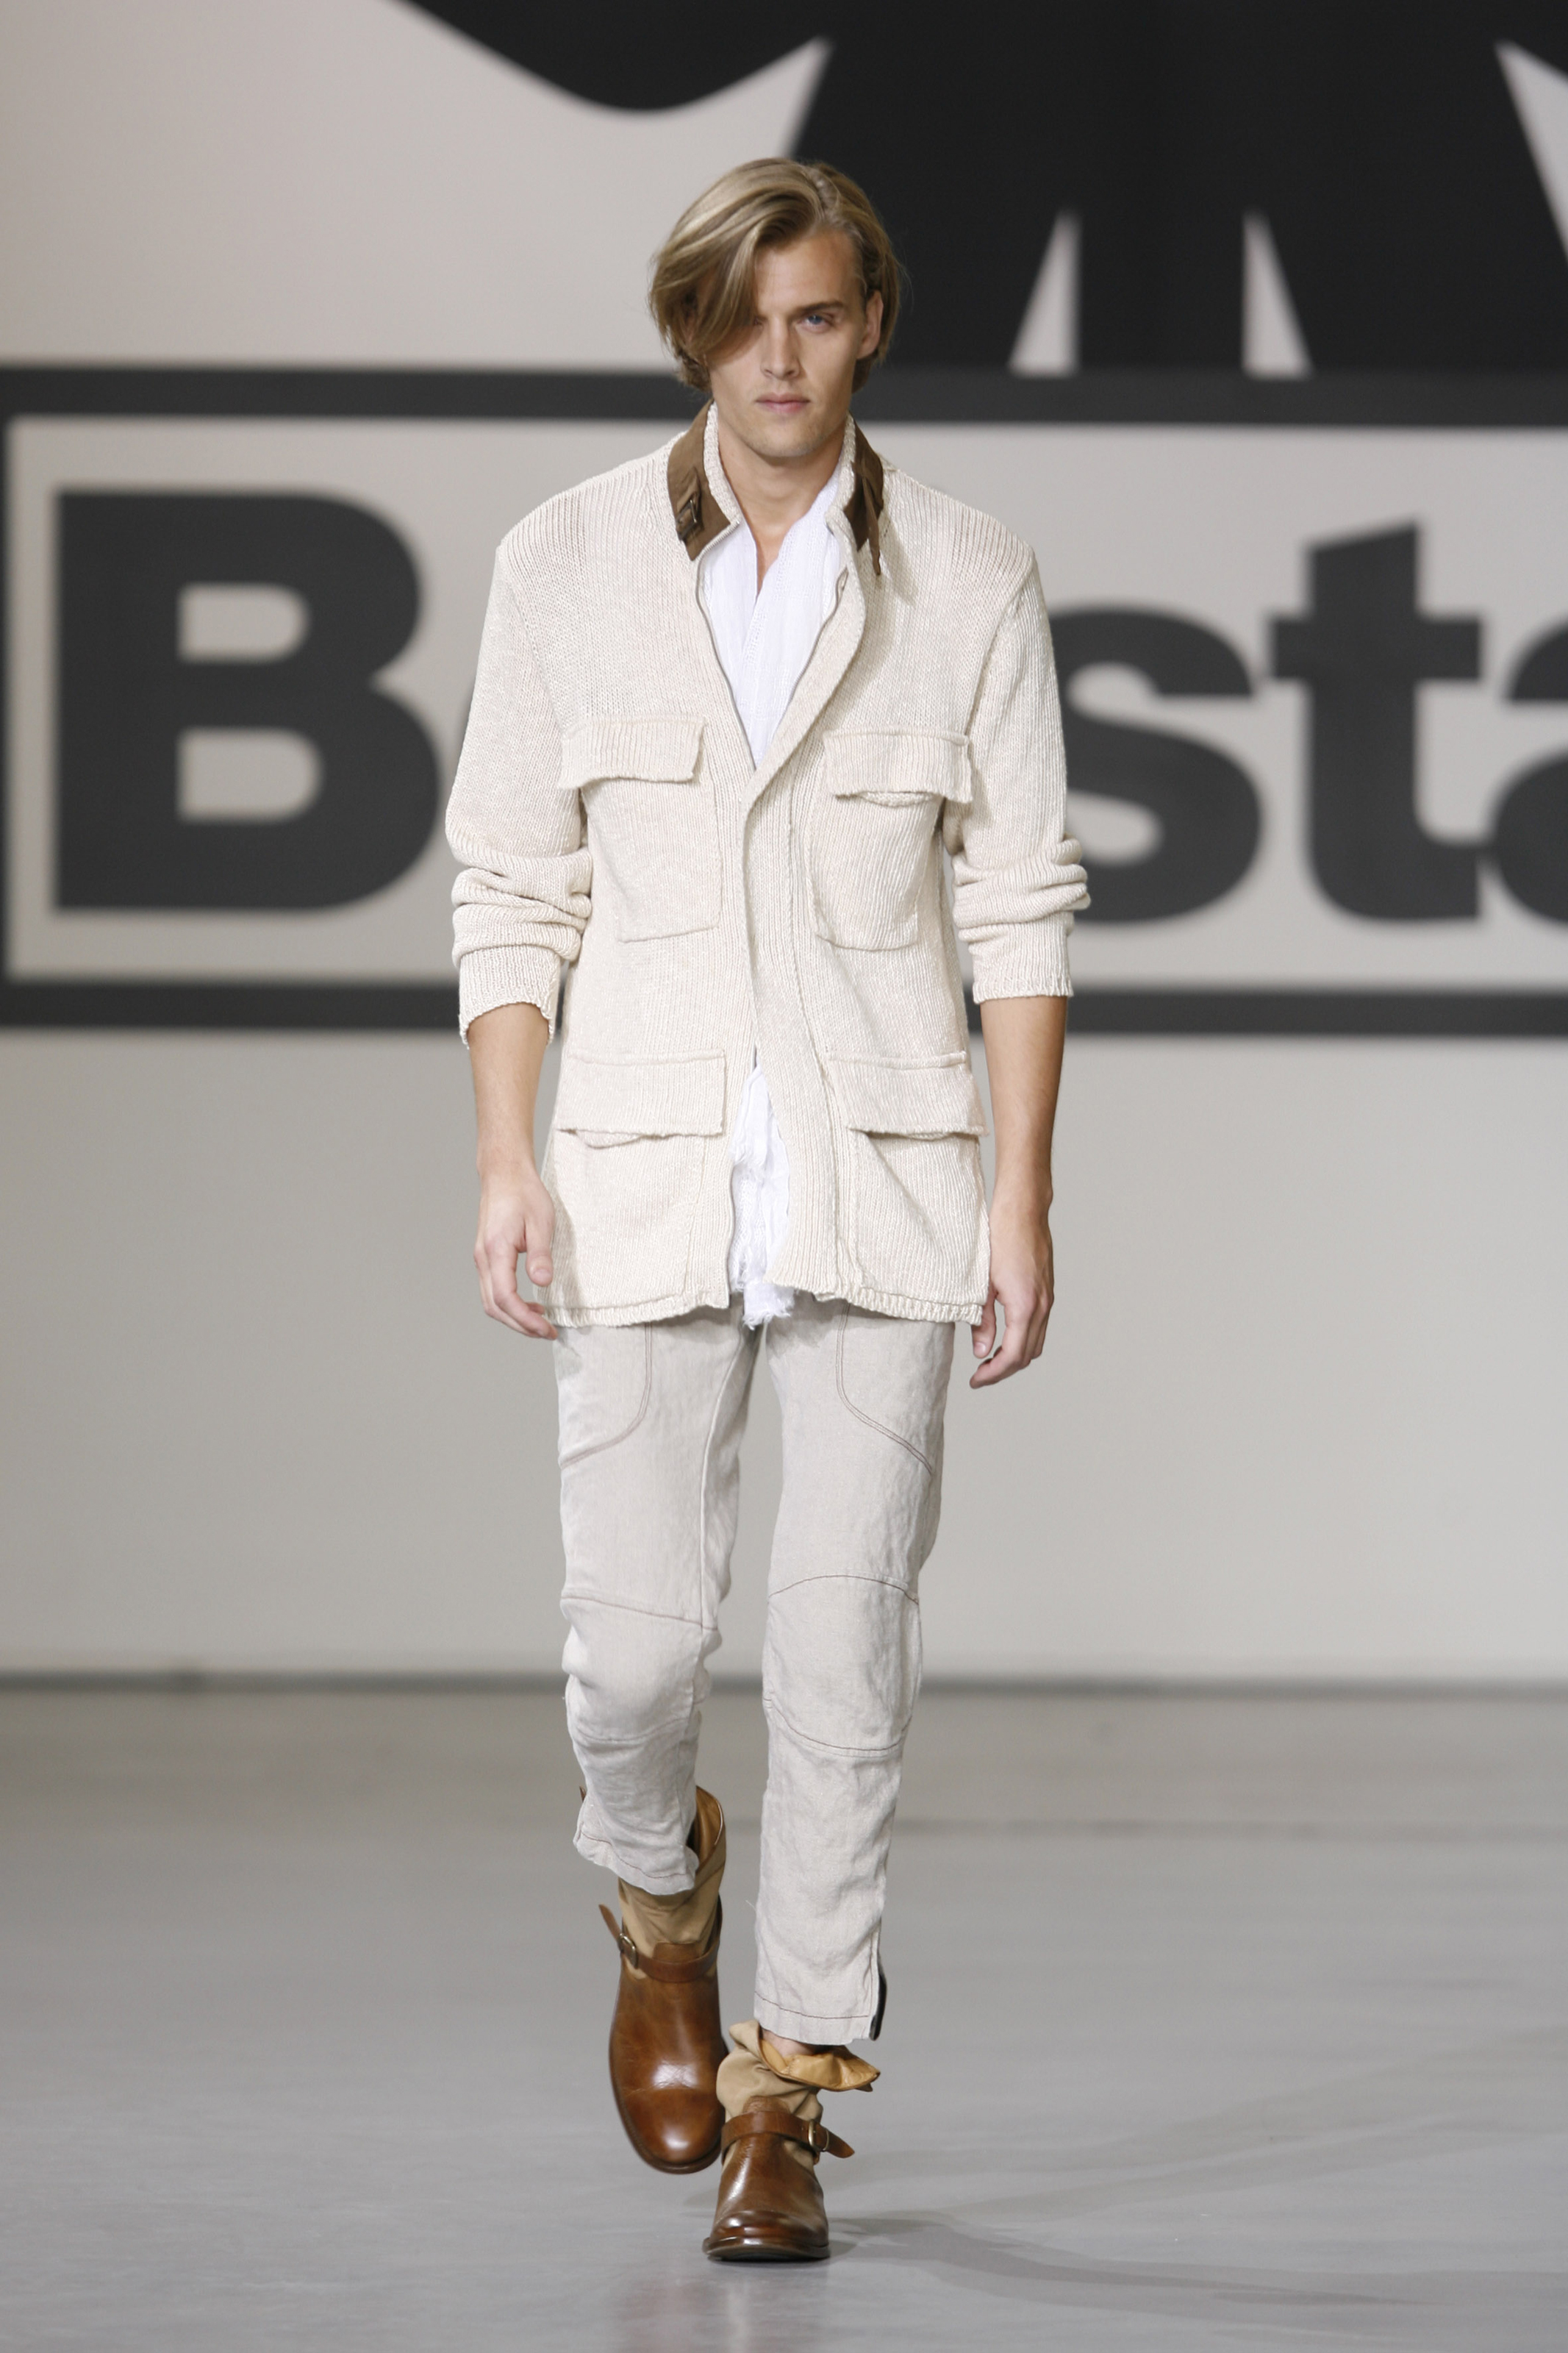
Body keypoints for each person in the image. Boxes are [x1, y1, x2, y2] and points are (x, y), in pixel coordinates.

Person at [445, 158, 1087, 2263]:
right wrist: (508, 1157)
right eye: (742, 321)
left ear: (869, 321)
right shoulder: (565, 565)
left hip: (886, 1176)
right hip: (636, 1171)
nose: (780, 359)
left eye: (815, 315)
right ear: (692, 335)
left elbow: (1020, 905)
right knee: (633, 1664)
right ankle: (658, 1902)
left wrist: (1022, 1198)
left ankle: (787, 2095)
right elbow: (512, 887)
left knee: (841, 1656)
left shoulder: (968, 576)